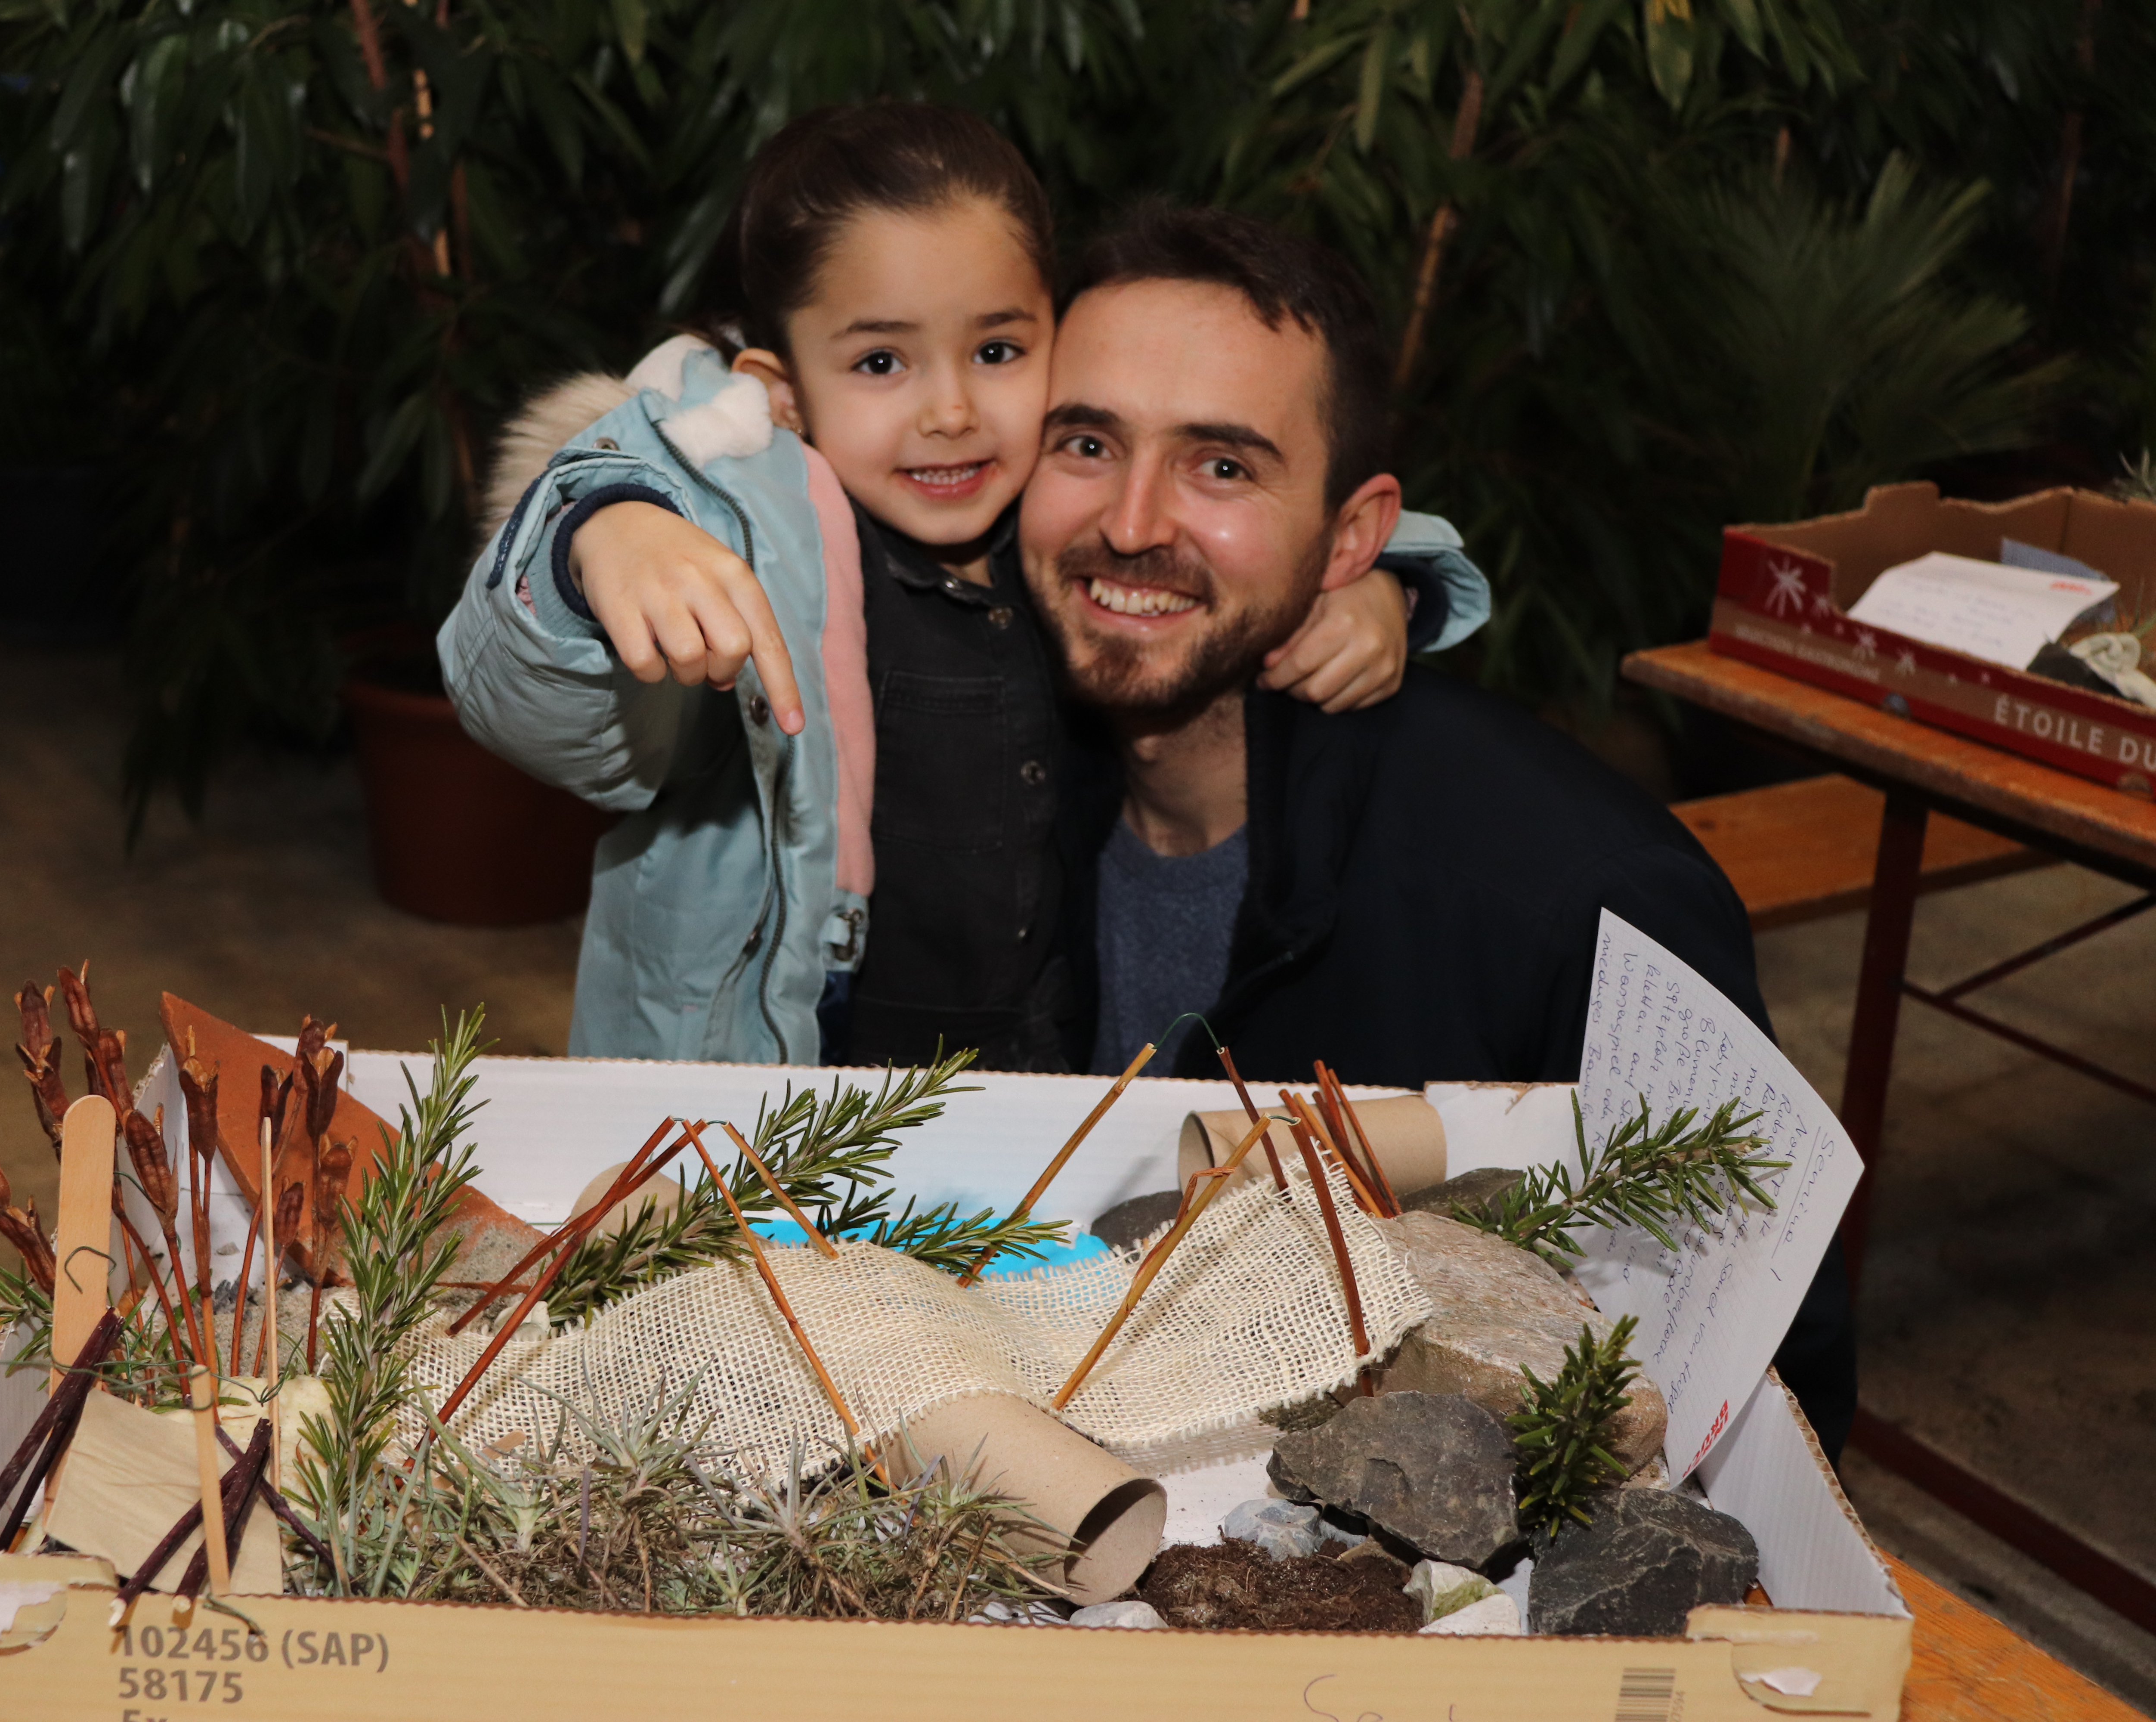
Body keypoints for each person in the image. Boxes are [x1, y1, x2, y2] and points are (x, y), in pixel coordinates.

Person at [1018, 201, 1855, 1456]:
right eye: (1086, 441)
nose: (1133, 521)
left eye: (1224, 466)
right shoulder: (972, 776)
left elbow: (1761, 1397)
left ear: (1354, 538)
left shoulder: (1576, 901)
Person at [439, 105, 1492, 1071]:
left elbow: (1260, 523)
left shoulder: (1057, 516)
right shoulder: (757, 543)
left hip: (1030, 1105)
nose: (950, 411)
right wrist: (603, 540)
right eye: (882, 364)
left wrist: (1377, 584)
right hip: (774, 1118)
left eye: (996, 349)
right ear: (782, 390)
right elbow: (539, 708)